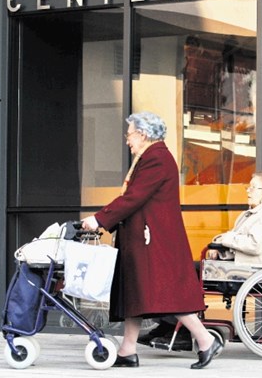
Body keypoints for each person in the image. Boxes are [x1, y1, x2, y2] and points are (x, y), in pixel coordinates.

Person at [80, 112, 222, 369]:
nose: (128, 141)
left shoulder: (155, 158)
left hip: (153, 240)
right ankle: (127, 350)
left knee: (165, 293)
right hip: (144, 238)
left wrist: (100, 219)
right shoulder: (150, 157)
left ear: (143, 134)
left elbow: (134, 197)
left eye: (130, 135)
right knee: (136, 292)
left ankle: (205, 339)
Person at [142, 170, 262, 351]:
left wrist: (224, 240)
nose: (247, 191)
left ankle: (180, 331)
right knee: (181, 270)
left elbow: (255, 245)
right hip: (243, 268)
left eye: (252, 187)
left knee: (183, 273)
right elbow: (242, 246)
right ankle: (169, 326)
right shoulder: (255, 212)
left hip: (252, 273)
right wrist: (221, 253)